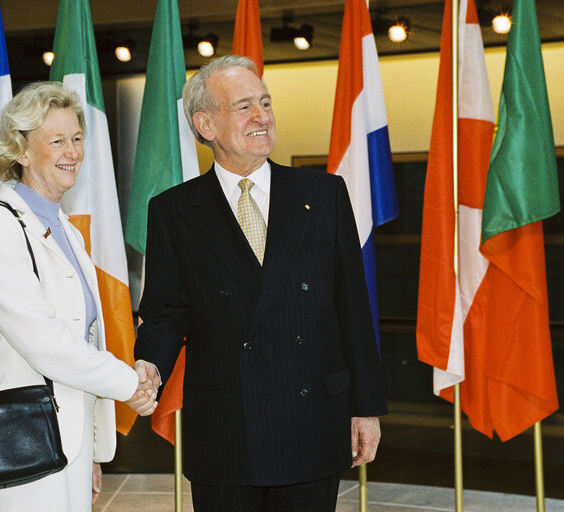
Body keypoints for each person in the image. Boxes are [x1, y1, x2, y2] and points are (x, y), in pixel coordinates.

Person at [134, 55, 387, 511]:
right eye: (244, 106)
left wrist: (365, 407)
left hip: (310, 422)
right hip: (226, 430)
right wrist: (150, 363)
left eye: (266, 103)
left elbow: (352, 306)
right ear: (205, 124)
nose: (262, 117)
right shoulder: (173, 211)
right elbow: (166, 312)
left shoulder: (322, 195)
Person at [0, 81, 158, 511]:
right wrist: (129, 384)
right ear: (21, 150)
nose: (72, 152)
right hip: (20, 445)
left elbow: (85, 339)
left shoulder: (67, 229)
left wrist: (87, 450)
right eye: (56, 141)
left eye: (76, 139)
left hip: (65, 444)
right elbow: (45, 343)